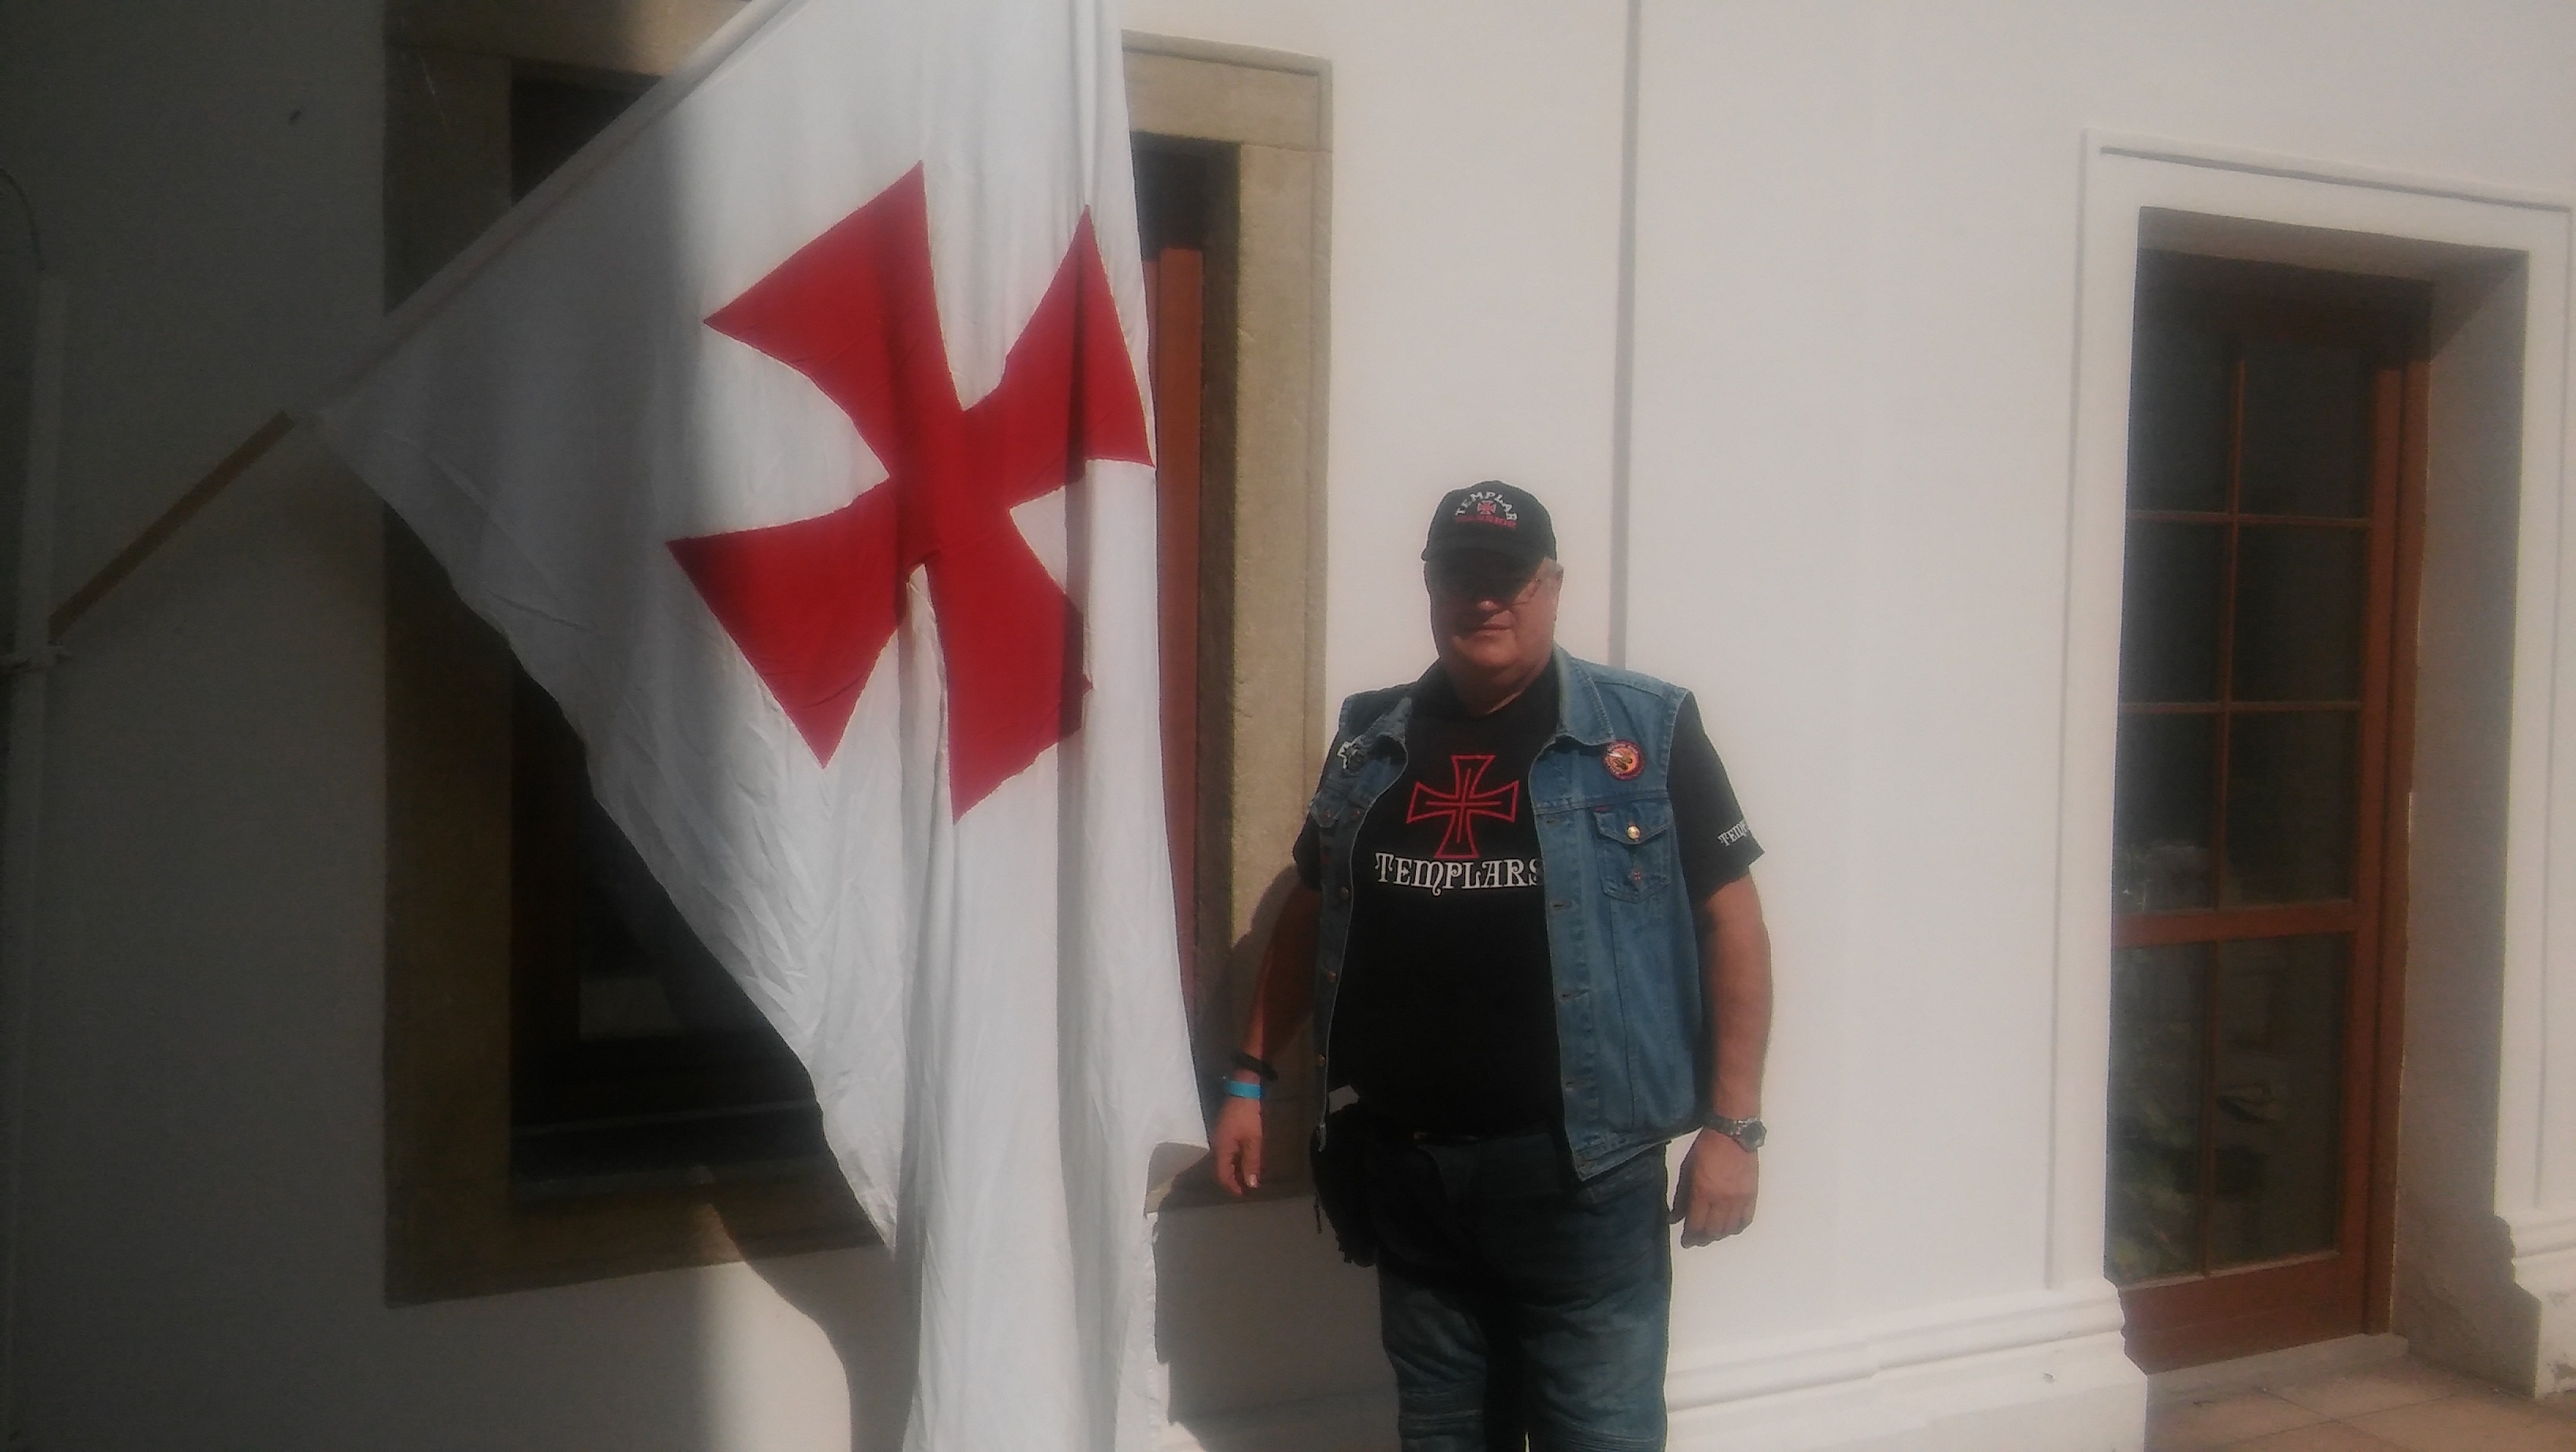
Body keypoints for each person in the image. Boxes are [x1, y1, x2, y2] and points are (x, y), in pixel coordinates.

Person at [1208, 481, 1774, 1452]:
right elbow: (1311, 908)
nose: (1483, 598)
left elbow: (1734, 923)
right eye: (1458, 574)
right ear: (1430, 587)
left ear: (1550, 585)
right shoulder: (1370, 738)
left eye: (1507, 576)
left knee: (1598, 1434)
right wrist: (1249, 1076)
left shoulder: (1647, 729)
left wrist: (1734, 1127)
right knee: (1442, 1434)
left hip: (1582, 1179)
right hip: (1411, 1173)